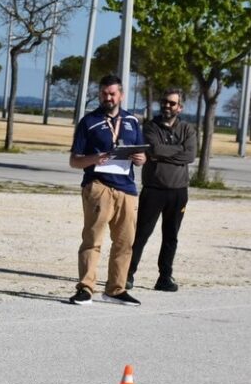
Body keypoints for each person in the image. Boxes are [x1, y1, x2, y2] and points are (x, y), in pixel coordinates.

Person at [68, 74, 147, 306]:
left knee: (125, 242)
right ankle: (85, 288)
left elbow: (141, 155)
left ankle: (116, 289)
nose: (108, 98)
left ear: (121, 95)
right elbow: (74, 160)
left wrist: (141, 159)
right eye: (104, 93)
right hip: (99, 186)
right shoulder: (89, 122)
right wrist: (95, 158)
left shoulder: (132, 121)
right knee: (92, 239)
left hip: (127, 189)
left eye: (112, 93)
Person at [127, 89, 196, 292]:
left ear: (179, 107)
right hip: (154, 189)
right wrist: (177, 149)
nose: (167, 105)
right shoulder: (150, 127)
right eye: (165, 101)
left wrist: (163, 154)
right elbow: (154, 149)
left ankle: (164, 277)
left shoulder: (187, 129)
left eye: (172, 103)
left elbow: (190, 155)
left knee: (171, 236)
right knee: (141, 234)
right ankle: (127, 274)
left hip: (178, 191)